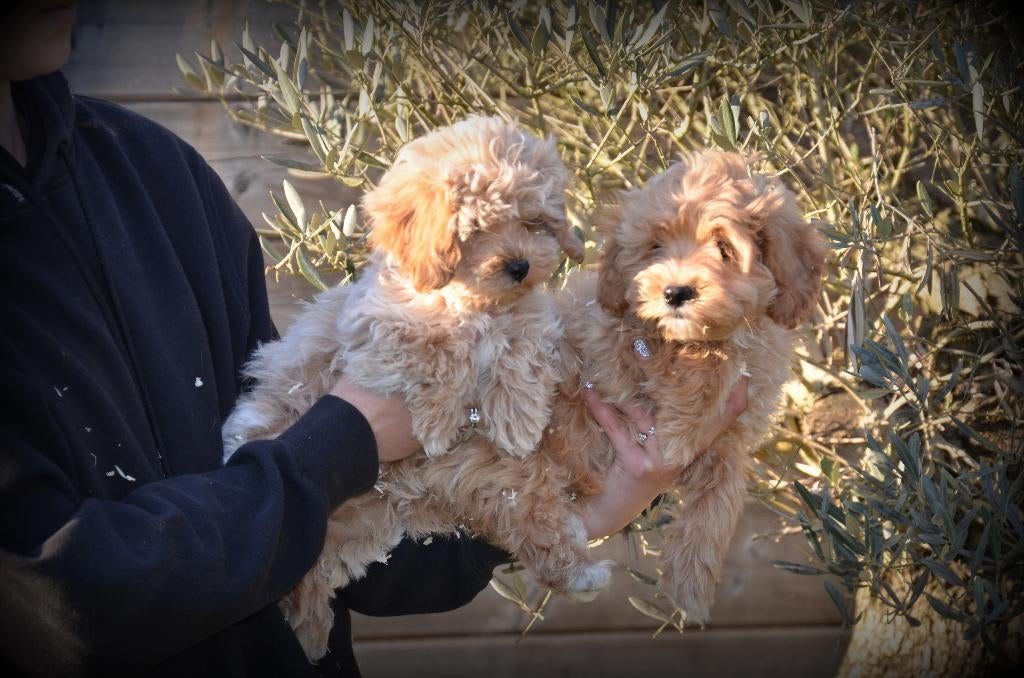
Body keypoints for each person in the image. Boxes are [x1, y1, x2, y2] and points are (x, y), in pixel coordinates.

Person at [0, 3, 748, 677]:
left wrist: (579, 509)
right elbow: (54, 610)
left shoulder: (154, 174)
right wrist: (345, 438)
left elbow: (364, 550)